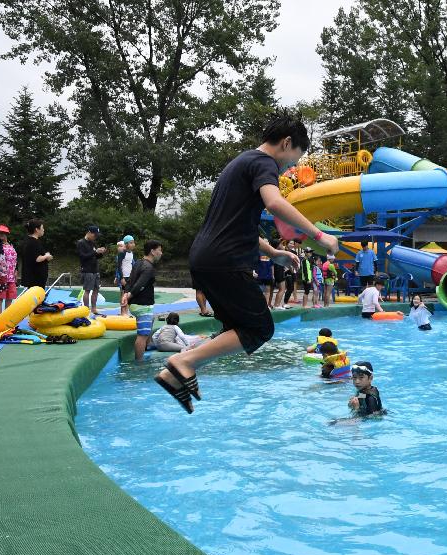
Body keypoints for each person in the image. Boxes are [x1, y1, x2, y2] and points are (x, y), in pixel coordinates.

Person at [154, 110, 338, 413]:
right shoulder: (263, 163)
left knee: (234, 329)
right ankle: (183, 361)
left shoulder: (241, 163)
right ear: (286, 142)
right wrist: (320, 236)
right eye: (292, 160)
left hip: (207, 257)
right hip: (225, 260)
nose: (288, 168)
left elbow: (241, 225)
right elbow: (275, 203)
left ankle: (172, 375)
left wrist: (275, 252)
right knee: (260, 329)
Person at [122, 240, 163, 361]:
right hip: (142, 304)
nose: (161, 253)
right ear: (152, 251)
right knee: (142, 336)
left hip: (136, 304)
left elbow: (130, 281)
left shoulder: (138, 262)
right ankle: (139, 363)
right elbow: (140, 284)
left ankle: (149, 343)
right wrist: (129, 295)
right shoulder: (148, 267)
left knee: (151, 319)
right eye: (159, 250)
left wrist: (125, 294)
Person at [77, 225, 106, 315]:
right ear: (89, 233)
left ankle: (94, 308)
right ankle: (86, 310)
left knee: (96, 289)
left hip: (95, 269)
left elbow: (95, 256)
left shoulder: (92, 242)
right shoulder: (81, 242)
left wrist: (101, 252)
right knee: (87, 290)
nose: (95, 237)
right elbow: (82, 257)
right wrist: (95, 252)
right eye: (94, 235)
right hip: (87, 269)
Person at [0, 224, 18, 316]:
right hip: (1, 275)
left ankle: (6, 316)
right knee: (0, 296)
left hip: (11, 275)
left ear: (6, 234)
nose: (0, 235)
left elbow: (15, 259)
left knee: (10, 296)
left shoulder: (12, 245)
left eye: (2, 233)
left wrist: (16, 270)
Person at [20, 218, 52, 289]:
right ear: (37, 229)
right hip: (36, 278)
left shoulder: (29, 241)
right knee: (36, 298)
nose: (43, 230)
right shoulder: (33, 242)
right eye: (42, 228)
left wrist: (46, 256)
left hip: (34, 277)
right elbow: (37, 259)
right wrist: (46, 256)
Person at [115, 235, 136, 316]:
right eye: (131, 243)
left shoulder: (131, 253)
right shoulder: (122, 253)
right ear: (126, 244)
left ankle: (126, 312)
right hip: (123, 276)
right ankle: (123, 312)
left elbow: (131, 265)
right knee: (123, 294)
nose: (133, 244)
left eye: (133, 242)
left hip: (129, 276)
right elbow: (119, 266)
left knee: (127, 295)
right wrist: (121, 278)